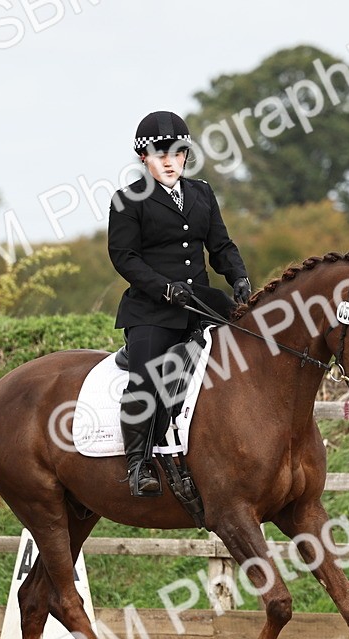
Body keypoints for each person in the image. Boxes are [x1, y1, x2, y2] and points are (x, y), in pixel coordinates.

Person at [108, 110, 253, 497]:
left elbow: (220, 245)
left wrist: (237, 276)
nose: (169, 161)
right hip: (151, 310)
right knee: (145, 379)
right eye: (159, 154)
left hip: (202, 306)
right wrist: (164, 288)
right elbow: (125, 257)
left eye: (176, 153)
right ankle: (138, 466)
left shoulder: (202, 193)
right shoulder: (127, 200)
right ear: (144, 159)